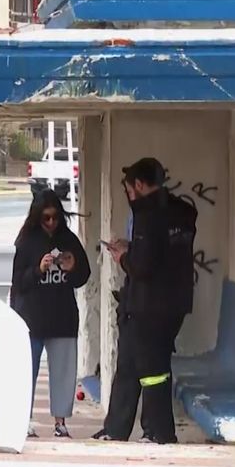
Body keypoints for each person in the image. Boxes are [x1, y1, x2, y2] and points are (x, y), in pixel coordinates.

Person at [94, 157, 197, 444]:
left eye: (129, 190)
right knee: (128, 362)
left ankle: (158, 430)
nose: (129, 197)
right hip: (174, 302)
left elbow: (144, 267)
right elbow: (163, 252)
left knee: (152, 369)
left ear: (139, 185)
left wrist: (122, 256)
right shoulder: (184, 211)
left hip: (149, 304)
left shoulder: (148, 216)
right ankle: (115, 428)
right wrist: (135, 248)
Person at [10, 188, 91, 438]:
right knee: (27, 372)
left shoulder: (68, 240)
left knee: (63, 372)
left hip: (62, 317)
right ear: (37, 217)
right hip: (31, 317)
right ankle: (24, 419)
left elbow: (83, 277)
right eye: (46, 218)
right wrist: (38, 269)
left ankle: (61, 422)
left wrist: (73, 266)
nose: (52, 222)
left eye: (55, 217)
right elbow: (18, 282)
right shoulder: (26, 241)